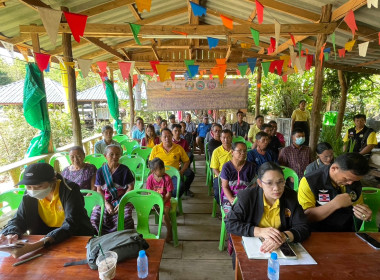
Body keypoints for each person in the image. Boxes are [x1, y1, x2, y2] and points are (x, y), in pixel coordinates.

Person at [0, 163, 94, 258]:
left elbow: (71, 224)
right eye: (29, 187)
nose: (33, 190)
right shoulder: (29, 194)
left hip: (75, 237)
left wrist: (34, 246)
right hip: (46, 240)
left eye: (39, 186)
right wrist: (11, 233)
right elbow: (20, 218)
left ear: (53, 181)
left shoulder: (70, 190)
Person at [226, 162, 310, 255]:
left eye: (280, 182)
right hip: (253, 245)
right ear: (260, 183)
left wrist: (283, 236)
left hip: (279, 245)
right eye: (269, 183)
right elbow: (230, 223)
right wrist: (260, 231)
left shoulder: (290, 197)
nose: (276, 188)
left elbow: (303, 227)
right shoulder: (248, 197)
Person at [298, 153, 372, 232]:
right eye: (346, 179)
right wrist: (335, 204)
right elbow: (306, 216)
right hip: (318, 232)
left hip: (346, 232)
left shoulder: (354, 182)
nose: (350, 183)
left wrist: (363, 215)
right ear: (334, 168)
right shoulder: (310, 181)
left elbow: (357, 208)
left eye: (354, 180)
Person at [91, 145, 135, 235]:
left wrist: (121, 203)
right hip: (105, 200)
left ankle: (123, 237)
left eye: (117, 154)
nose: (115, 157)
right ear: (105, 156)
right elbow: (99, 190)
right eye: (111, 154)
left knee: (126, 217)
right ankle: (101, 237)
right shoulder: (100, 171)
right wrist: (106, 204)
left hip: (122, 199)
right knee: (95, 217)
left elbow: (130, 187)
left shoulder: (125, 170)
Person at [149, 128, 195, 198]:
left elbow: (187, 161)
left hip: (173, 175)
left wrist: (181, 171)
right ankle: (162, 202)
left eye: (169, 136)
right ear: (161, 138)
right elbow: (150, 163)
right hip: (158, 175)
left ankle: (169, 201)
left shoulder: (178, 148)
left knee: (180, 187)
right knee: (150, 188)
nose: (167, 138)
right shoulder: (156, 149)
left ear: (172, 137)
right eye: (165, 136)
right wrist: (154, 174)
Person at [220, 142, 256, 214]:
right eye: (239, 151)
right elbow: (225, 186)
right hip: (230, 196)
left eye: (245, 151)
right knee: (233, 213)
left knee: (253, 212)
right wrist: (231, 199)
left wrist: (246, 197)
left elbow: (253, 185)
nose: (243, 153)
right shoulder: (227, 167)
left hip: (245, 196)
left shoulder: (251, 166)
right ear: (232, 152)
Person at [146, 158, 173, 243]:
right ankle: (145, 232)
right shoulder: (150, 179)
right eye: (160, 169)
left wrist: (162, 202)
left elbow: (169, 194)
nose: (162, 170)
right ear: (153, 170)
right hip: (153, 200)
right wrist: (154, 202)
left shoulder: (167, 178)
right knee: (143, 212)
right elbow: (148, 193)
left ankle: (169, 230)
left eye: (163, 168)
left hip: (165, 200)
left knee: (164, 215)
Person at [210, 129, 233, 204]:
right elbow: (214, 168)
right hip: (220, 176)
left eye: (228, 137)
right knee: (217, 193)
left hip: (235, 175)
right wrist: (222, 178)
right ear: (220, 138)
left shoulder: (236, 150)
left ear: (232, 138)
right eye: (223, 138)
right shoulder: (216, 151)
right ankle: (223, 208)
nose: (226, 140)